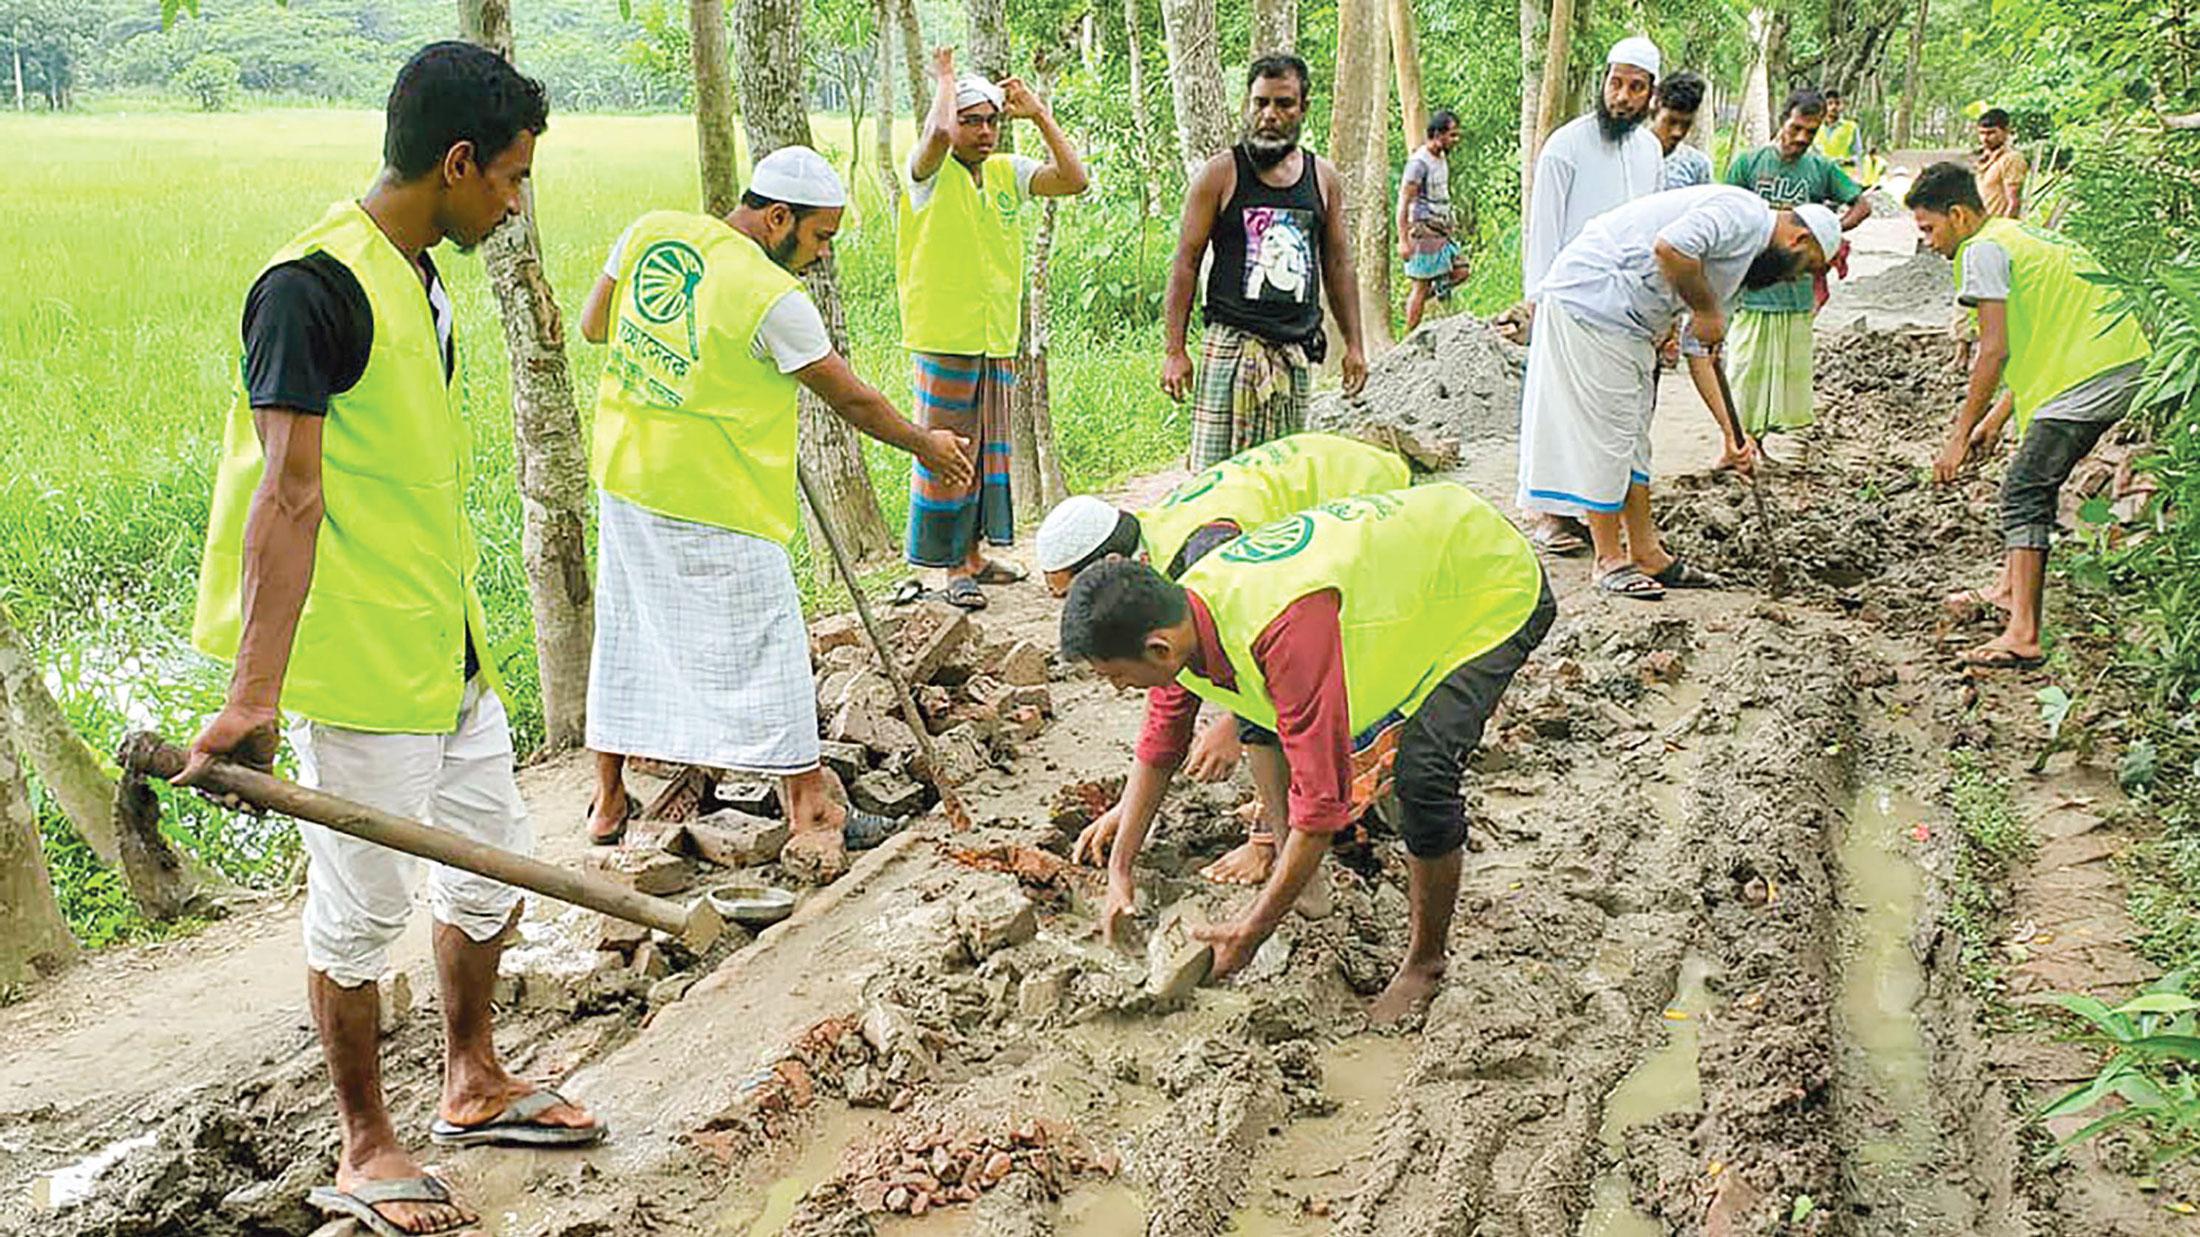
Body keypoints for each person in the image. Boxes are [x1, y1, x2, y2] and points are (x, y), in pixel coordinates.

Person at [182, 43, 599, 1236]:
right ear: (457, 162)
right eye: (510, 179)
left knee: (486, 867)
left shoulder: (420, 276)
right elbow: (288, 494)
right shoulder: (308, 288)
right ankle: (366, 1142)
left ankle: (472, 1079)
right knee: (360, 912)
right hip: (361, 666)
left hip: (444, 641)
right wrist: (253, 695)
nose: (515, 204)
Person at [575, 147, 976, 875]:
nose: (821, 256)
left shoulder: (650, 231)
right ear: (777, 217)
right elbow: (851, 397)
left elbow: (596, 325)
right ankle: (809, 806)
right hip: (714, 494)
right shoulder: (772, 296)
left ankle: (608, 802)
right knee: (772, 641)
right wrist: (926, 443)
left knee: (628, 632)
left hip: (628, 472)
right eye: (819, 237)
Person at [1061, 484, 1554, 1023]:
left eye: (1114, 676)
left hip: (1487, 580)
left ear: (1156, 649)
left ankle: (1425, 964)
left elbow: (1321, 808)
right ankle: (1303, 883)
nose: (1116, 690)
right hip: (1415, 568)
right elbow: (1161, 743)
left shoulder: (1282, 628)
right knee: (1261, 716)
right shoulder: (1185, 612)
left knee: (1425, 775)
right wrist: (1120, 870)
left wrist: (1251, 930)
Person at [1033, 432, 1410, 887]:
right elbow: (1169, 712)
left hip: (1364, 498)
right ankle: (1290, 833)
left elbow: (1277, 667)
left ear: (1109, 564)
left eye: (1069, 595)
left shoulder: (1201, 554)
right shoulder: (1152, 560)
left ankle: (1293, 835)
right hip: (1322, 488)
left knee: (1319, 691)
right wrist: (1127, 826)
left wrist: (1232, 726)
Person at [1517, 185, 1840, 600]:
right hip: (1593, 303)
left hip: (1628, 323)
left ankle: (1647, 552)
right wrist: (1705, 310)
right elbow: (1671, 247)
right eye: (1805, 266)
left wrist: (1732, 433)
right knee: (1610, 434)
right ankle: (1609, 560)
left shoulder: (1746, 268)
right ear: (1800, 239)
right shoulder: (1742, 214)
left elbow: (1701, 350)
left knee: (1634, 440)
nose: (1794, 277)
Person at [1907, 162, 2151, 670]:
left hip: (2089, 374)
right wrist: (1995, 418)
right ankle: (2005, 591)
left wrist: (1956, 439)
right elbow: (2030, 331)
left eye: (1929, 228)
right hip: (2117, 361)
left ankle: (2023, 632)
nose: (1928, 242)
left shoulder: (1982, 251)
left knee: (2023, 489)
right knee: (2030, 476)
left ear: (1958, 214)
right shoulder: (2016, 235)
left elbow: (1992, 351)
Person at [897, 47, 1090, 611]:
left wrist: (1039, 115)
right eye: (971, 120)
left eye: (991, 121)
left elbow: (1073, 180)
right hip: (945, 333)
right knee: (948, 449)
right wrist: (946, 79)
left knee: (986, 451)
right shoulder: (926, 174)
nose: (983, 132)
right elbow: (934, 134)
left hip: (994, 335)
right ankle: (951, 564)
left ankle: (976, 555)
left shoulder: (1007, 173)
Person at [1162, 53, 1369, 472]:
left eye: (1283, 104)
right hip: (1232, 349)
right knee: (1214, 481)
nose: (1270, 115)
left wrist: (1355, 345)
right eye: (1260, 103)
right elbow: (1186, 262)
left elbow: (1338, 264)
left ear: (1303, 108)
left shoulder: (1322, 178)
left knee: (1280, 483)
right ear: (1248, 105)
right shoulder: (1221, 175)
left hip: (1292, 354)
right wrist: (1175, 350)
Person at [1517, 35, 1665, 556]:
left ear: (1652, 94)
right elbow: (1543, 229)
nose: (1622, 96)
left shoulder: (1650, 152)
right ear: (1602, 82)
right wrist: (1537, 299)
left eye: (1635, 87)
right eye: (1615, 83)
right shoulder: (1566, 145)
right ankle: (1552, 517)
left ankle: (1596, 512)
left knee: (1614, 416)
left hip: (1626, 307)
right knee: (1559, 410)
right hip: (1568, 299)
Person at [1722, 88, 1872, 439]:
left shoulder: (1821, 168)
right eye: (1796, 128)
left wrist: (1830, 233)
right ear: (1782, 121)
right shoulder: (1749, 163)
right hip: (1753, 288)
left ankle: (1760, 443)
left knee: (1783, 376)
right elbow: (1727, 212)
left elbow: (1861, 205)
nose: (1802, 138)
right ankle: (1737, 440)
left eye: (1811, 131)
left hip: (1796, 292)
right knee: (1745, 369)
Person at [1397, 110, 1470, 332]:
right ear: (1438, 134)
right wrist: (1403, 240)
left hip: (1440, 229)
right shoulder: (1419, 163)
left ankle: (1421, 299)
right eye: (1452, 135)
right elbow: (1404, 201)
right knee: (1420, 286)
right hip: (1423, 229)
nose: (1455, 141)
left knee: (1461, 270)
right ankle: (1409, 337)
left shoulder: (1441, 157)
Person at [1654, 71, 1713, 189]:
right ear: (1655, 108)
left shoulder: (1697, 165)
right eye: (1671, 122)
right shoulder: (1628, 154)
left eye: (1686, 124)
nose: (1678, 132)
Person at [1976, 108, 2029, 219]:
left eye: (1991, 133)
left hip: (1997, 228)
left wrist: (2003, 230)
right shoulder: (1983, 159)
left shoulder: (2012, 159)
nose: (1985, 138)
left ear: (2006, 131)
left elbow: (2014, 202)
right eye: (1981, 133)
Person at [1813, 89, 1864, 178]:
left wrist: (1846, 162)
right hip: (1821, 178)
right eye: (1830, 103)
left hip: (1844, 177)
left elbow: (1858, 155)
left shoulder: (1851, 127)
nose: (1834, 107)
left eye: (1837, 103)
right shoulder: (1815, 127)